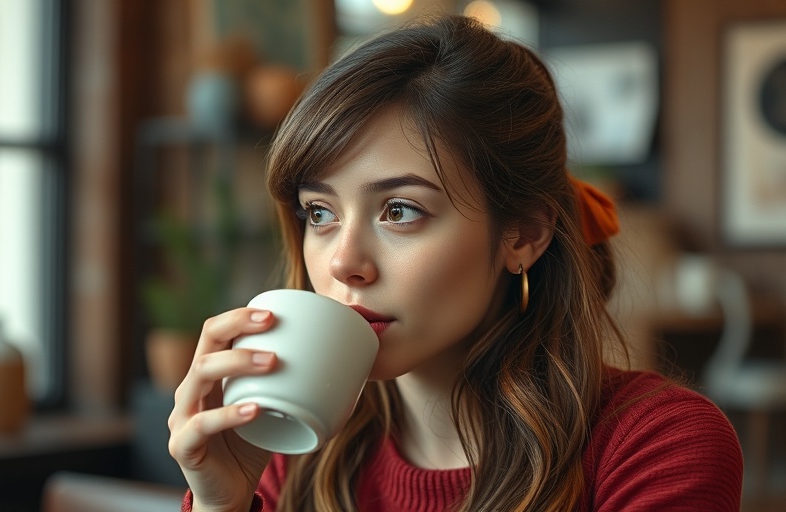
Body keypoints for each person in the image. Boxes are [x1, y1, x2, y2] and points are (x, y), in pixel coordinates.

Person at [168, 14, 743, 512]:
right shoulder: (288, 453)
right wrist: (224, 503)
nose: (344, 263)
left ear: (523, 233)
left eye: (399, 210)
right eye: (320, 213)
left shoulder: (654, 447)